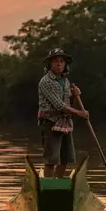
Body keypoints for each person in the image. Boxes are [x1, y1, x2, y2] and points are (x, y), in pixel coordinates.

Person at [38, 48, 90, 179]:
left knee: (66, 158)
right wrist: (79, 113)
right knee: (51, 160)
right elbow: (59, 106)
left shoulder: (65, 81)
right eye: (55, 61)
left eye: (61, 61)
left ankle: (58, 183)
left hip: (65, 123)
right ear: (50, 64)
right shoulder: (45, 82)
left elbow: (68, 103)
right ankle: (49, 186)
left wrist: (75, 95)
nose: (59, 64)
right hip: (50, 122)